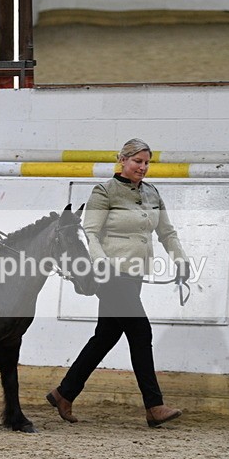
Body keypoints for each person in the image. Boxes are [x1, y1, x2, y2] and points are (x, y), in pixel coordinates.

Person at [47, 138, 190, 428]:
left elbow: (166, 232)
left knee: (105, 337)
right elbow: (91, 231)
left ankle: (64, 392)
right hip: (111, 273)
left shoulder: (151, 193)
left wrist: (181, 260)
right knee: (141, 332)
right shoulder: (105, 191)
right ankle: (154, 406)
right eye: (137, 161)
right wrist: (101, 263)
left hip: (134, 273)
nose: (143, 167)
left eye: (147, 162)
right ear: (122, 160)